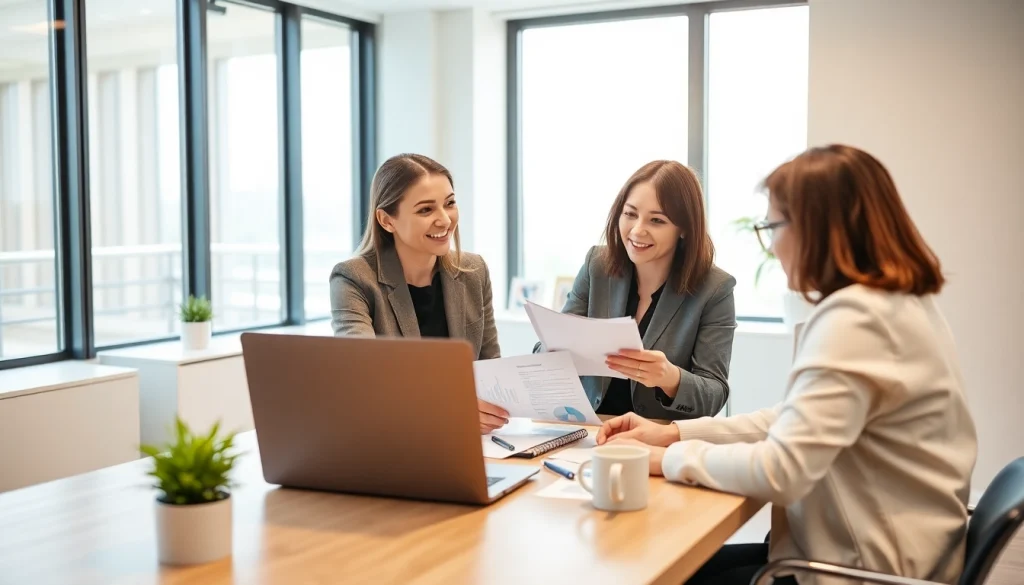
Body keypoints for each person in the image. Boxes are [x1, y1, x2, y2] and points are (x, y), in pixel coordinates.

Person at [596, 145, 978, 585]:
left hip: (863, 569)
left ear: (818, 229)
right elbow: (792, 419)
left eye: (773, 226)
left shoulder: (858, 318)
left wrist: (665, 458)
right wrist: (674, 432)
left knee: (656, 569)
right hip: (881, 548)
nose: (773, 245)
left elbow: (781, 471)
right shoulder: (896, 305)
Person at [538, 160, 736, 421]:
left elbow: (715, 393)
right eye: (630, 214)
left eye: (657, 220)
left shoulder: (715, 289)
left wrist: (670, 377)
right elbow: (548, 349)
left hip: (658, 438)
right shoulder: (597, 266)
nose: (637, 230)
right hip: (590, 431)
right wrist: (552, 352)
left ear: (685, 229)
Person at [330, 153, 509, 434]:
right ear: (387, 220)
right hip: (394, 437)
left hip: (472, 440)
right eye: (426, 210)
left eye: (449, 204)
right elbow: (364, 375)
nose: (444, 220)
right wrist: (454, 409)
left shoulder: (474, 270)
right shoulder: (353, 279)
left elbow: (490, 368)